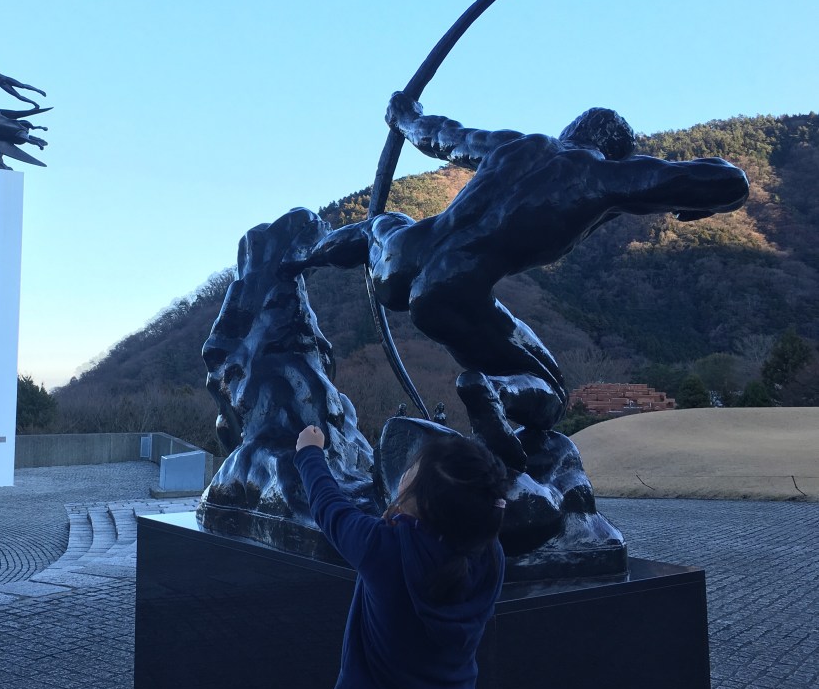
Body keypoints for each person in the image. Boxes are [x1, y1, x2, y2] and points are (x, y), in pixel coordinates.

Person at [286, 91, 749, 469]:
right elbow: (729, 182)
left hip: (402, 258)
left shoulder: (513, 146)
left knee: (380, 224)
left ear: (571, 129)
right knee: (551, 391)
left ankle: (302, 257)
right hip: (452, 291)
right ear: (615, 153)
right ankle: (498, 391)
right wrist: (686, 201)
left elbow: (443, 136)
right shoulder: (605, 176)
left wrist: (405, 117)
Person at [295, 424, 508, 689]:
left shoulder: (383, 548)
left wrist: (309, 452)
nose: (405, 471)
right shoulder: (491, 554)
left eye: (414, 469)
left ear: (424, 501)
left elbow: (329, 508)